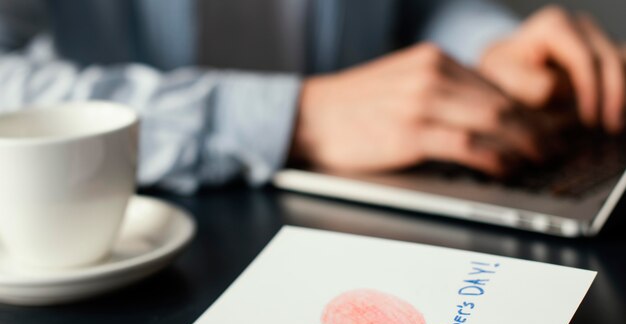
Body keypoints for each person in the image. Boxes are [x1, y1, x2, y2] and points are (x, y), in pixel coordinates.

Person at [0, 0, 624, 193]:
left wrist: (489, 50)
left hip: (375, 192)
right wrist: (300, 117)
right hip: (127, 218)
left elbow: (412, 11)